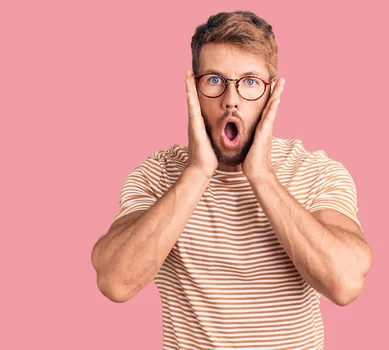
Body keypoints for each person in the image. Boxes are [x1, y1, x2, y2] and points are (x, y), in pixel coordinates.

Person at [91, 10, 372, 350]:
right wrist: (196, 172)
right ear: (193, 90)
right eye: (215, 80)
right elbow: (115, 282)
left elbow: (345, 284)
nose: (231, 100)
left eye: (250, 82)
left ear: (271, 94)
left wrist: (262, 176)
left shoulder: (315, 172)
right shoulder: (157, 174)